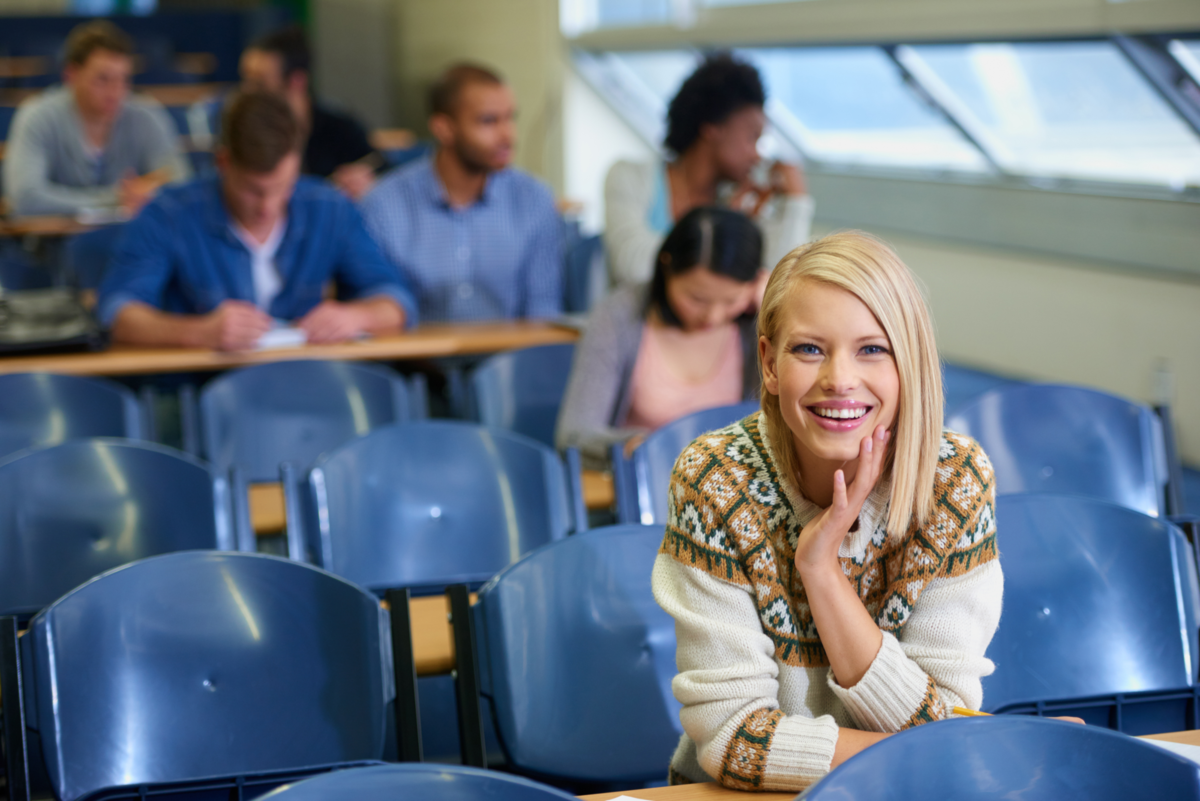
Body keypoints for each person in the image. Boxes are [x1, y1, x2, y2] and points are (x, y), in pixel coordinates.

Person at [652, 231, 1003, 790]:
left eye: (872, 349)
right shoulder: (714, 478)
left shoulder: (954, 481)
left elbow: (949, 718)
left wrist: (822, 573)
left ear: (908, 363)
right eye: (809, 349)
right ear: (768, 363)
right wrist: (922, 747)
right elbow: (731, 737)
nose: (839, 378)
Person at [96, 90, 414, 351]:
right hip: (199, 389)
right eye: (253, 191)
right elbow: (118, 313)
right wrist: (198, 333)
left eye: (282, 188)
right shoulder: (169, 213)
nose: (268, 207)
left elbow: (396, 300)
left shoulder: (328, 208)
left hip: (307, 384)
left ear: (297, 165)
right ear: (223, 162)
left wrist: (356, 317)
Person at [556, 207, 762, 467]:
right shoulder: (619, 316)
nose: (713, 316)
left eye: (731, 300)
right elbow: (574, 435)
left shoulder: (757, 325)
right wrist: (649, 445)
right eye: (696, 299)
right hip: (645, 485)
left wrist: (775, 313)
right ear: (667, 266)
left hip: (735, 496)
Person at [362, 63, 563, 323]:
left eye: (511, 118)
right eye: (488, 121)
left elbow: (544, 312)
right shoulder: (383, 205)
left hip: (512, 361)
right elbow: (375, 304)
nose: (508, 135)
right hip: (412, 361)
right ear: (444, 128)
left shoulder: (534, 200)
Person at [604, 53, 813, 289]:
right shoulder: (629, 177)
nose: (757, 155)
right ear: (712, 127)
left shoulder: (737, 202)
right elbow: (632, 267)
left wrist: (796, 203)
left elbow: (777, 286)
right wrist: (721, 231)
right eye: (752, 137)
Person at [3, 20, 189, 217]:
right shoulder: (38, 116)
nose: (115, 91)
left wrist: (147, 190)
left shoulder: (146, 115)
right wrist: (115, 199)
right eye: (103, 79)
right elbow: (25, 198)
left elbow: (180, 183)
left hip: (129, 243)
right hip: (55, 243)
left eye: (123, 79)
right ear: (71, 75)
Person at [238, 24, 381, 201]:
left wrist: (366, 181)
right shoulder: (243, 131)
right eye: (246, 79)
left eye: (259, 83)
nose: (247, 91)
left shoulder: (340, 129)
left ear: (296, 81)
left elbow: (379, 169)